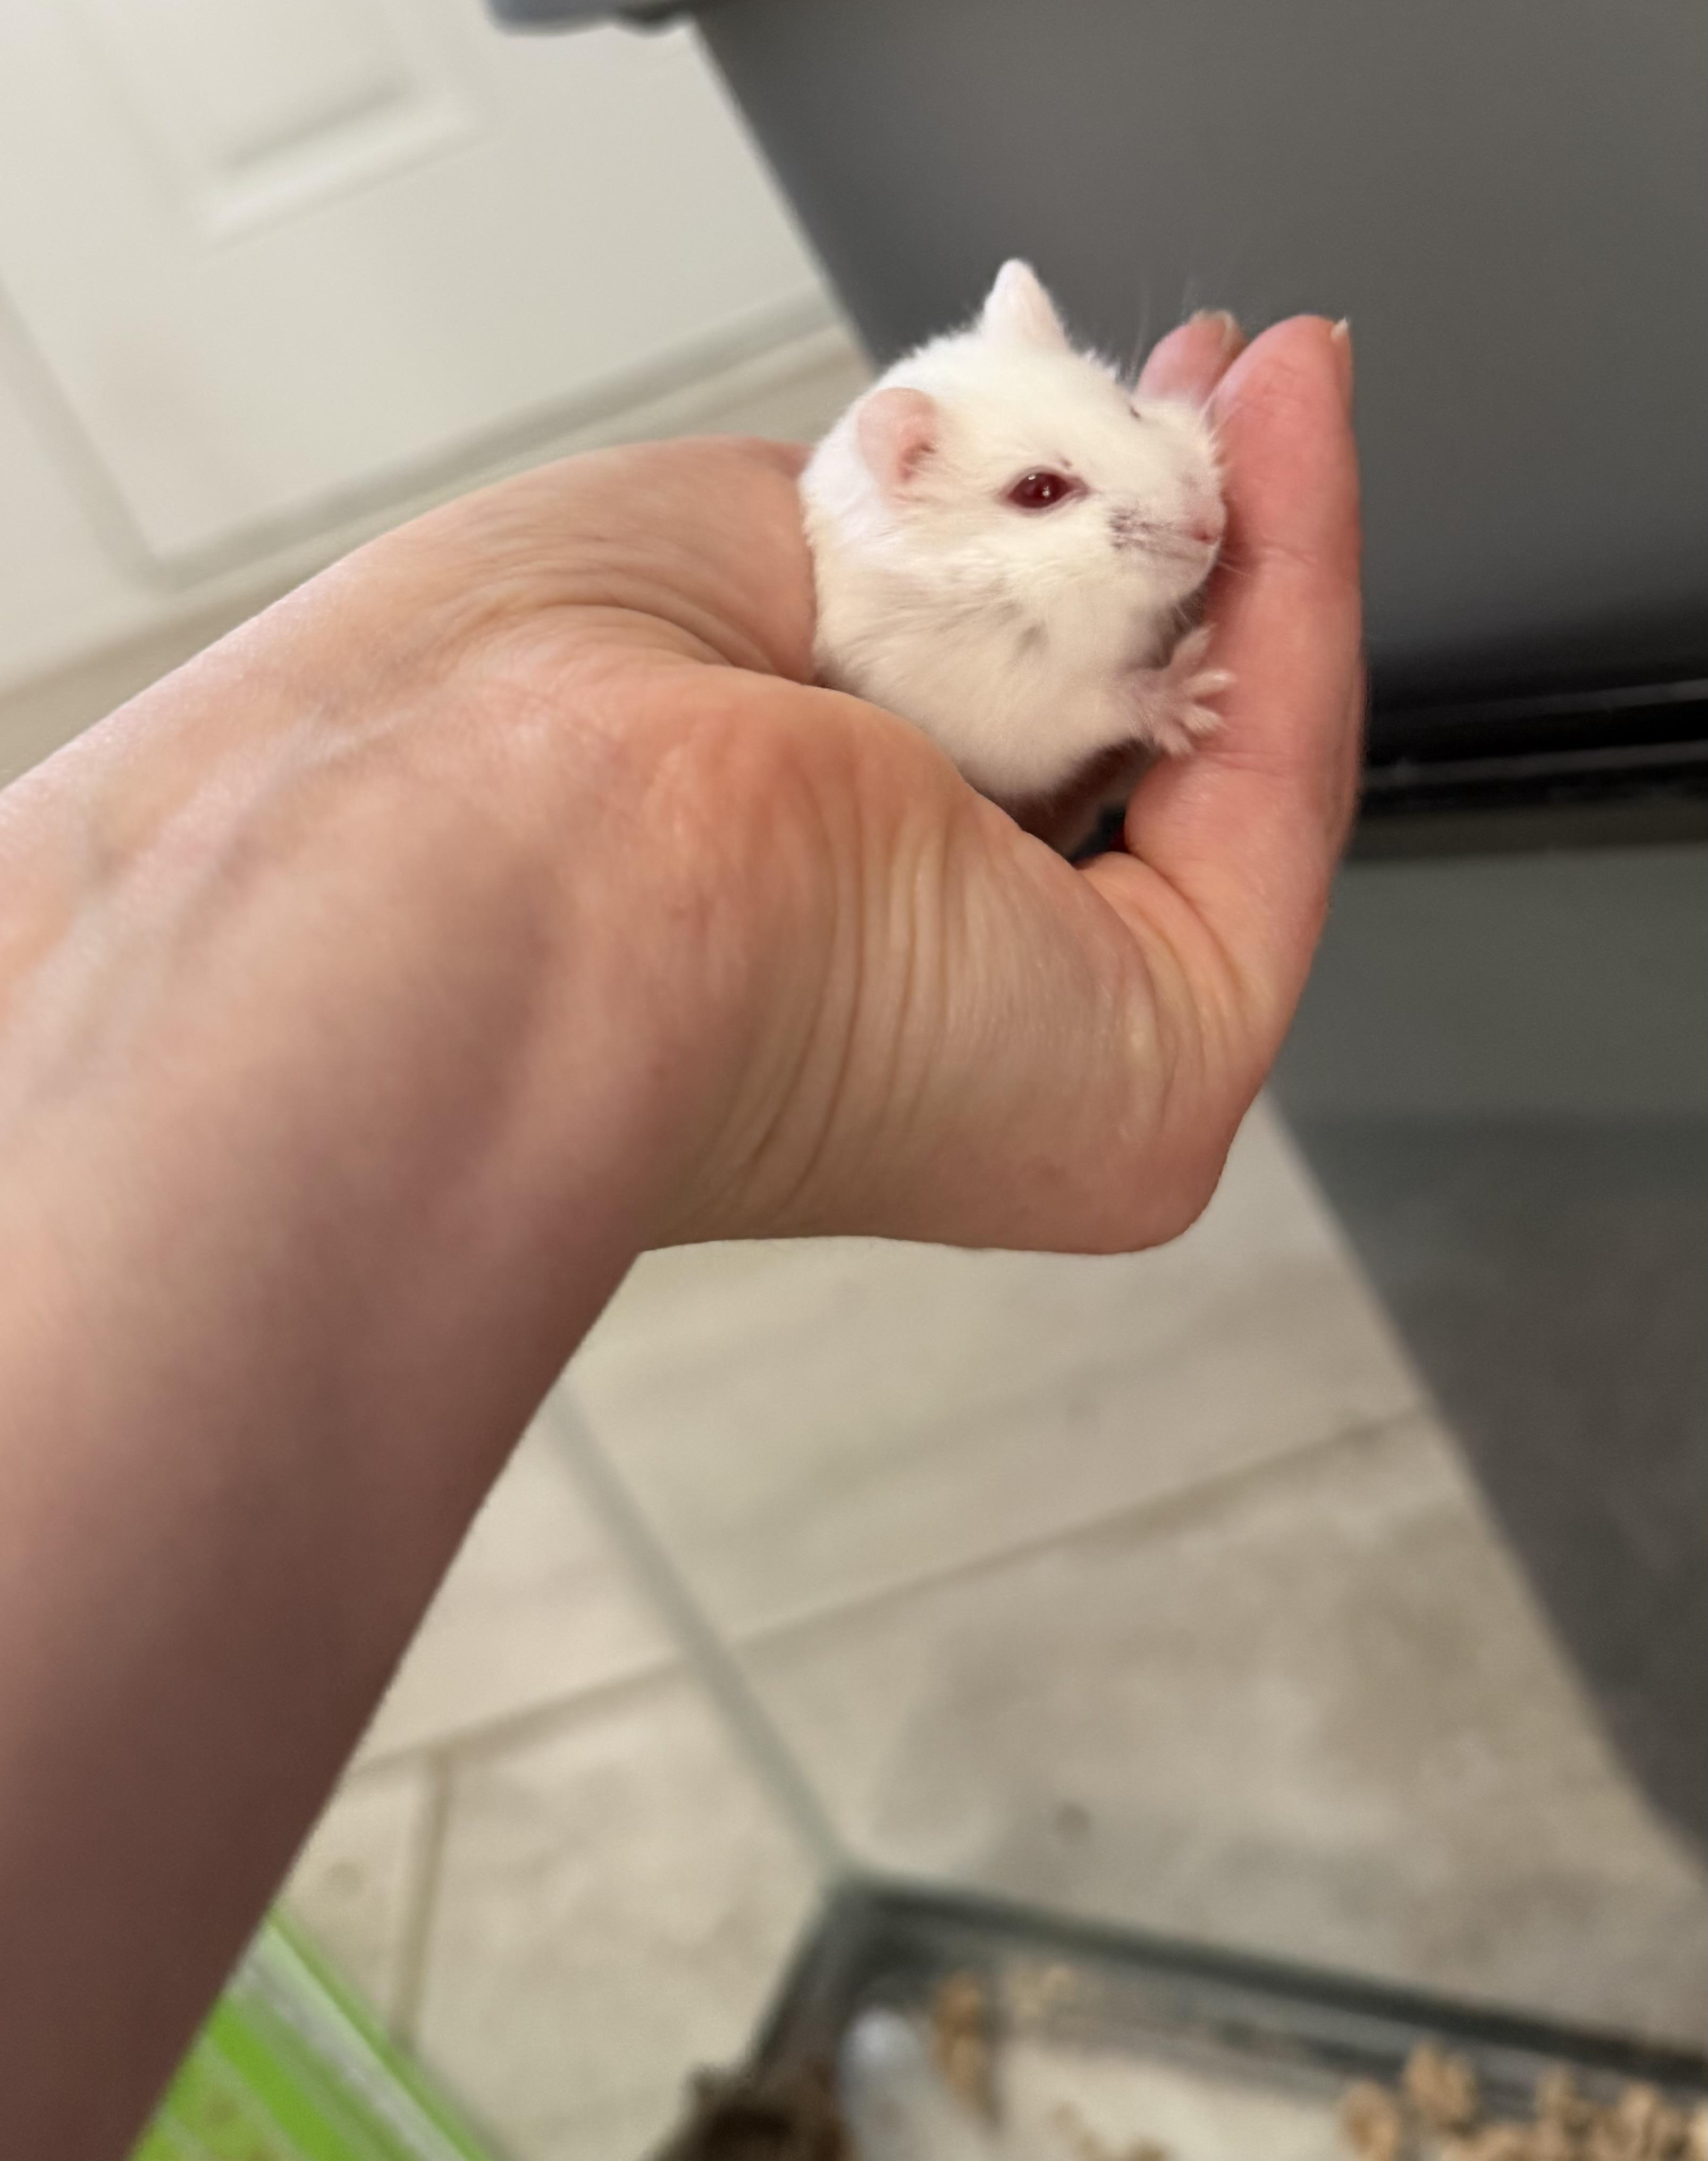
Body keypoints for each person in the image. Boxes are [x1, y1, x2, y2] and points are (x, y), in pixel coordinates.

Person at [0, 305, 1358, 2159]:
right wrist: (1125, 711)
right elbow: (986, 716)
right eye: (1049, 485)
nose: (1155, 497)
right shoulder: (899, 579)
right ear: (913, 490)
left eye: (1122, 423)